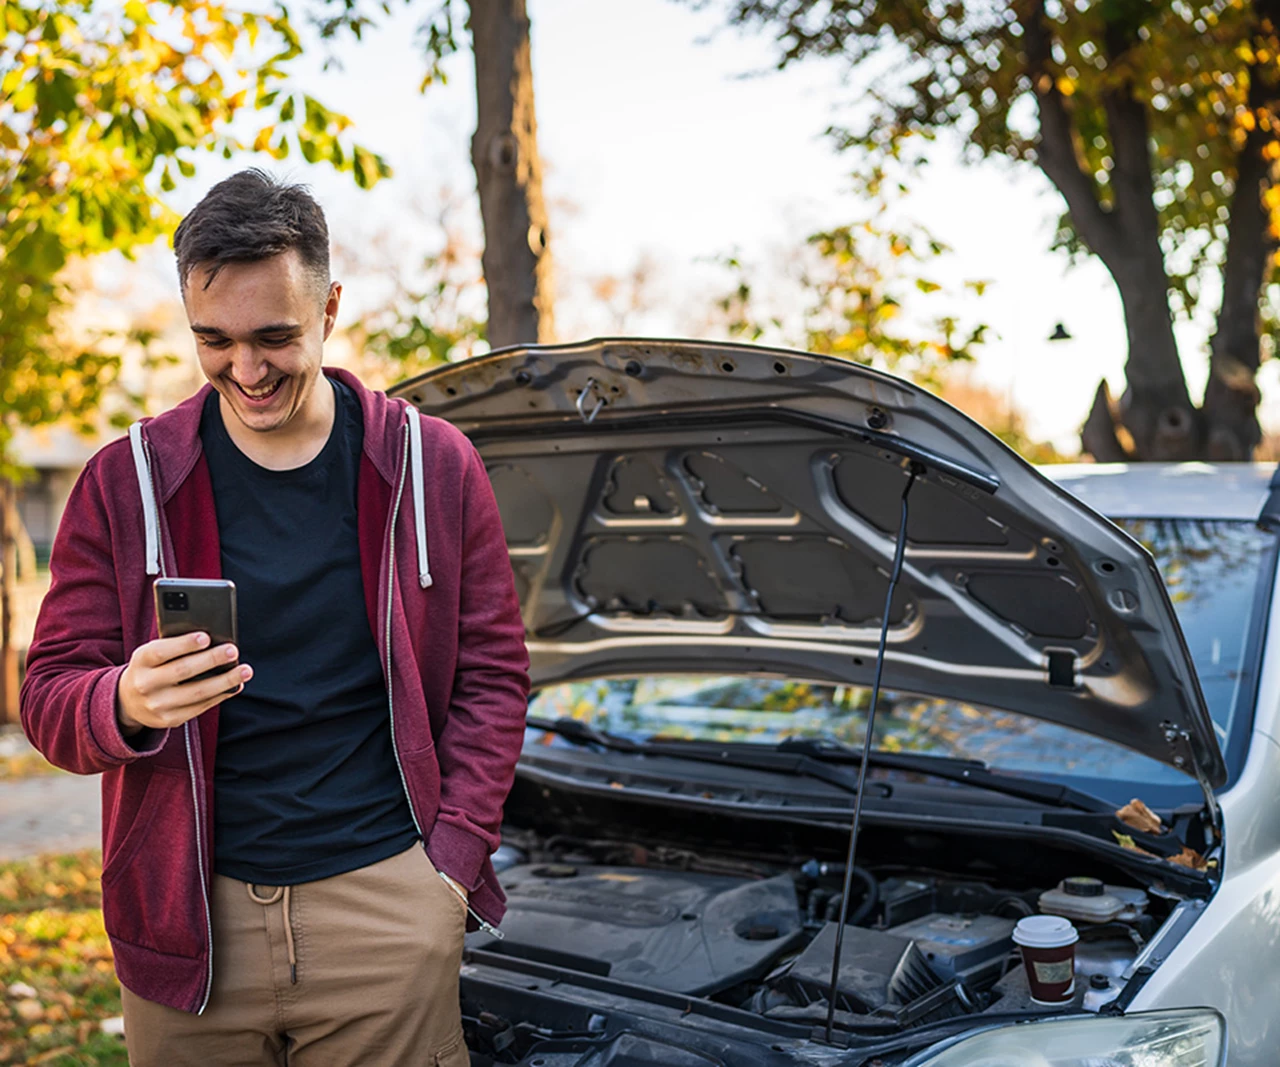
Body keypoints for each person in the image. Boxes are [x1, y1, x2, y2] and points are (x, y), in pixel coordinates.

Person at [19, 169, 530, 1065]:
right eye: (213, 340)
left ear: (330, 308)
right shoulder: (122, 481)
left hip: (385, 910)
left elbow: (494, 673)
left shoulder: (431, 463)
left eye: (274, 338)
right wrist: (124, 702)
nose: (245, 372)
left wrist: (447, 867)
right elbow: (50, 696)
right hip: (187, 926)